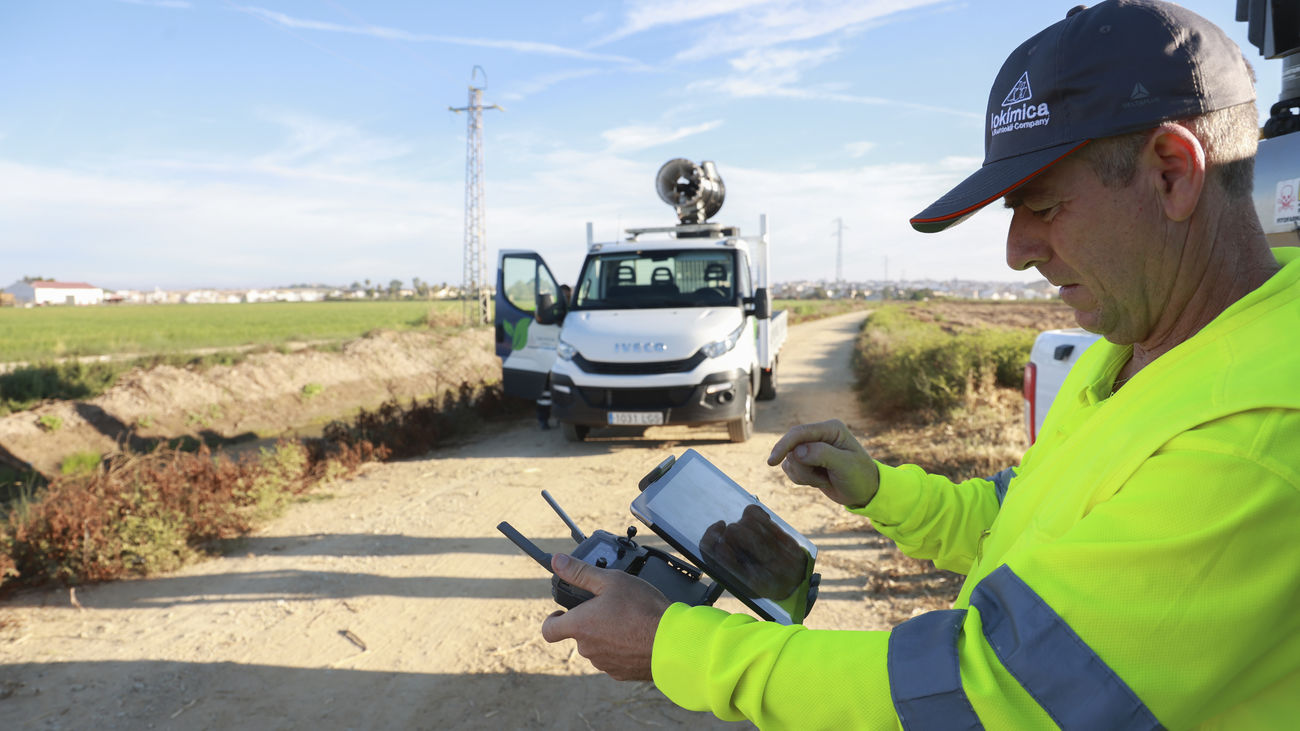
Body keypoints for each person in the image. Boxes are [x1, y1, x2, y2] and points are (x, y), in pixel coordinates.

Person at [538, 1, 1300, 727]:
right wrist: (879, 489)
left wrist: (675, 645)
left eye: (1041, 203)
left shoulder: (1260, 430)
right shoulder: (1142, 352)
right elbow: (1023, 521)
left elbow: (991, 695)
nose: (1015, 251)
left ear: (1172, 171)